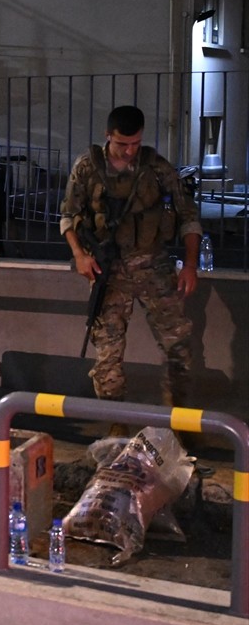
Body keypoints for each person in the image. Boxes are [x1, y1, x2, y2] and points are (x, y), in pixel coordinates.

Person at [59, 105, 202, 419]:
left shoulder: (157, 168)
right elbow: (68, 216)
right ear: (108, 136)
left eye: (135, 144)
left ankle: (179, 424)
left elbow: (188, 217)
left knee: (178, 348)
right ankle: (116, 428)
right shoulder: (87, 167)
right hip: (109, 271)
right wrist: (80, 256)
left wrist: (190, 265)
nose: (129, 151)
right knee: (107, 359)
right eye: (122, 144)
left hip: (155, 266)